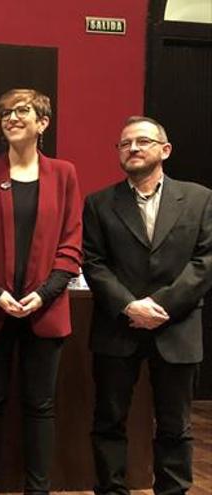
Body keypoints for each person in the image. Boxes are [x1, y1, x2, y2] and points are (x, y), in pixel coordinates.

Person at [0, 88, 83, 495]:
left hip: (44, 311)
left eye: (22, 111)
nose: (12, 118)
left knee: (40, 406)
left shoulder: (64, 173)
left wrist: (44, 293)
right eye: (5, 112)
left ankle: (38, 489)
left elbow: (71, 243)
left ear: (42, 122)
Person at [82, 116, 212, 495]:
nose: (133, 148)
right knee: (108, 421)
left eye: (142, 141)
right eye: (125, 144)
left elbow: (205, 262)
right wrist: (129, 306)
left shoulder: (201, 199)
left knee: (175, 426)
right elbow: (93, 263)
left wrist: (160, 305)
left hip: (178, 327)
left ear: (164, 150)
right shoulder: (99, 203)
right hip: (117, 328)